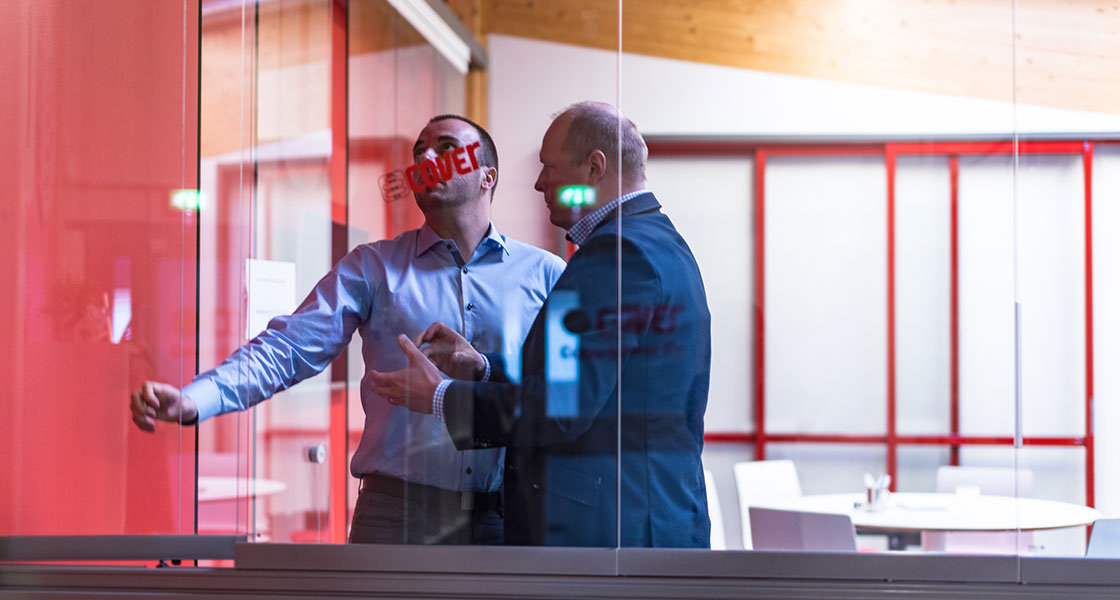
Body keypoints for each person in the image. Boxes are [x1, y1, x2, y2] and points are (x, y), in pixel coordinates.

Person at [128, 115, 567, 545]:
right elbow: (288, 349)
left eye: (447, 148)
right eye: (419, 153)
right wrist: (196, 399)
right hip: (395, 519)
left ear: (488, 176)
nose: (427, 160)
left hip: (505, 520)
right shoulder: (373, 267)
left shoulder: (547, 276)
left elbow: (566, 398)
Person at [370, 101, 711, 547]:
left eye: (549, 167)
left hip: (611, 535)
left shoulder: (617, 255)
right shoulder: (652, 242)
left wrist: (439, 397)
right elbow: (585, 381)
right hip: (633, 526)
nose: (538, 182)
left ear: (594, 168)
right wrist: (483, 368)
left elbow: (560, 408)